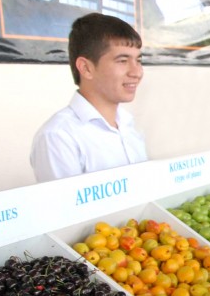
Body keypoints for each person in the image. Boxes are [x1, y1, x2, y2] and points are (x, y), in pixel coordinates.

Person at [30, 13, 147, 182]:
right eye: (122, 60)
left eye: (138, 60)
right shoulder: (58, 137)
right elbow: (66, 206)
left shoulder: (129, 125)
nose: (136, 72)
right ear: (86, 68)